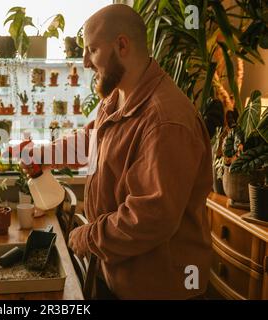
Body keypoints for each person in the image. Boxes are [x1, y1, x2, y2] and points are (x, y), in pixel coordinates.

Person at [19, 4, 213, 300]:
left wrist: (88, 236)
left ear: (122, 45)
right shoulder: (121, 95)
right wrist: (41, 154)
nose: (84, 61)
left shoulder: (165, 121)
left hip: (159, 289)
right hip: (119, 275)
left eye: (92, 50)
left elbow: (150, 217)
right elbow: (91, 141)